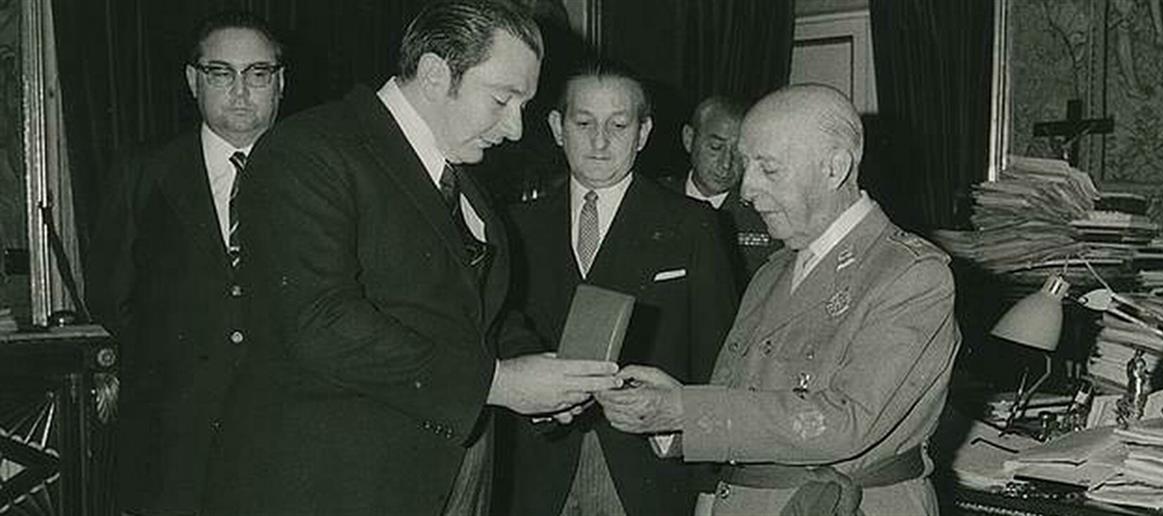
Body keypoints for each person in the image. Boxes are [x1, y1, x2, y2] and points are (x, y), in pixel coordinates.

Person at [201, 3, 620, 516]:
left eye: (522, 106)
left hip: (450, 479)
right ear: (435, 74)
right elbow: (320, 321)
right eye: (502, 99)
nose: (514, 128)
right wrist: (500, 383)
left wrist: (545, 376)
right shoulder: (309, 150)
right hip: (336, 488)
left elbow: (476, 312)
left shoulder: (462, 179)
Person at [595, 84, 961, 516]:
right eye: (747, 166)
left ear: (835, 168)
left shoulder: (910, 274)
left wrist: (684, 411)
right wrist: (671, 411)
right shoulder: (774, 271)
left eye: (768, 169)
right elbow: (738, 398)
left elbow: (846, 420)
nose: (746, 189)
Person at [496, 63, 739, 516]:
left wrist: (710, 485)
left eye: (618, 125)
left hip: (648, 472)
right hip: (536, 471)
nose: (600, 141)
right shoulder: (514, 226)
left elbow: (718, 358)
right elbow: (503, 329)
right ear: (557, 128)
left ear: (643, 133)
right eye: (584, 123)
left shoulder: (693, 225)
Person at [86, 11, 285, 516]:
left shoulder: (322, 172)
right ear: (193, 81)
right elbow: (110, 296)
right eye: (221, 73)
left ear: (280, 83)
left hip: (287, 440)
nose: (240, 91)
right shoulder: (142, 174)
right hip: (173, 451)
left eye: (258, 73)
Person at [661, 96, 780, 292]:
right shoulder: (654, 200)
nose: (726, 164)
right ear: (689, 139)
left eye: (739, 154)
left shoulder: (766, 214)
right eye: (715, 148)